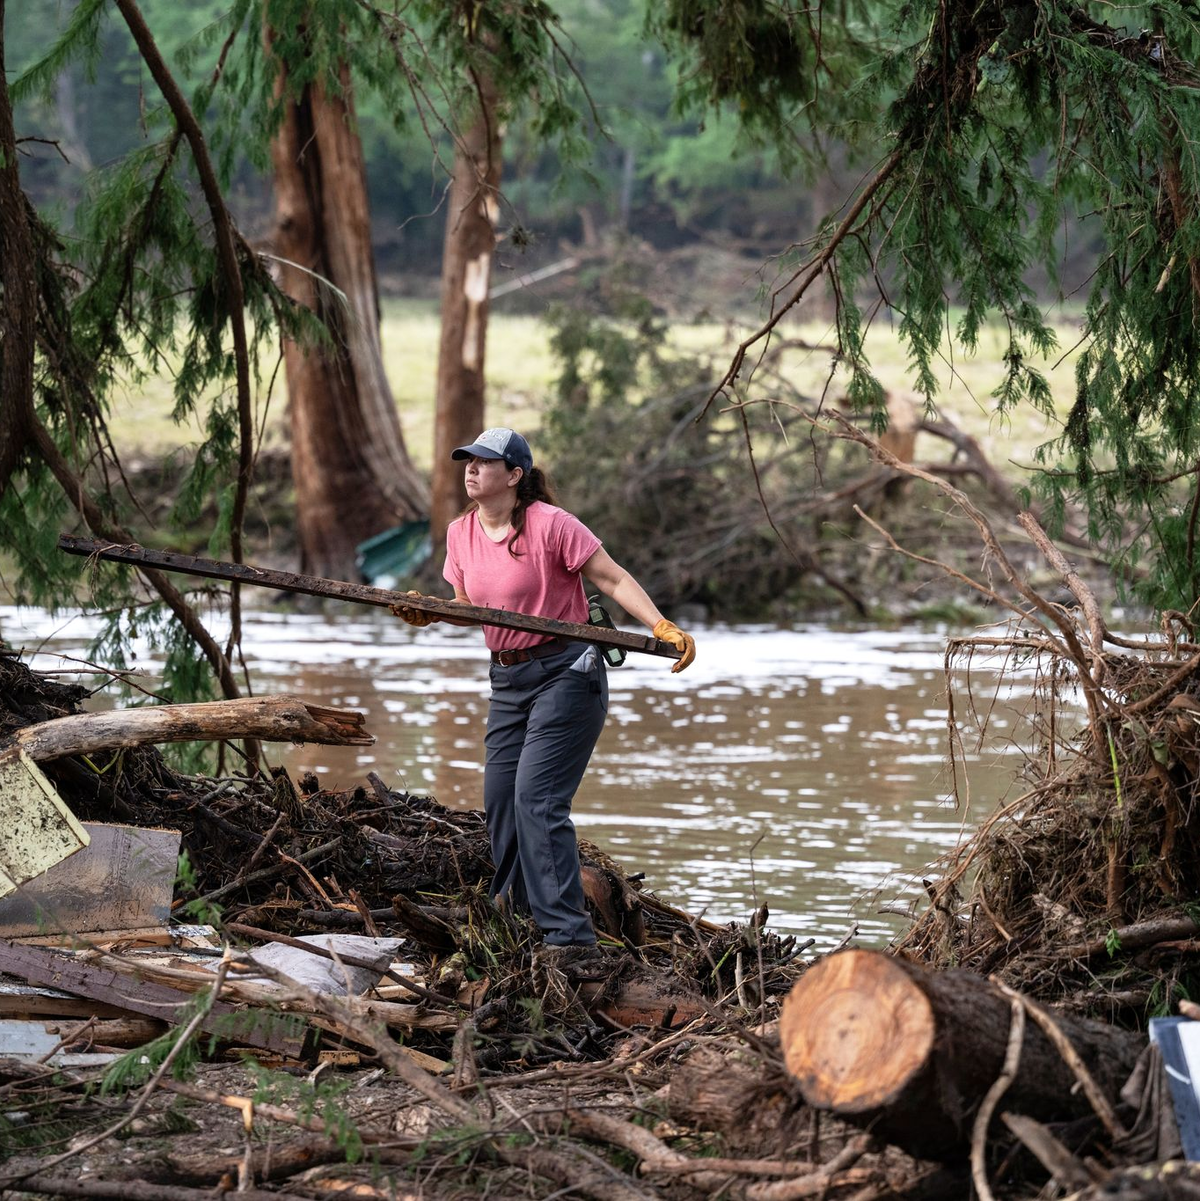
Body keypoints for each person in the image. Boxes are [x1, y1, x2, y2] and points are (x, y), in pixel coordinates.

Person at [394, 427, 695, 958]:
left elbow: (612, 578)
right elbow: (470, 607)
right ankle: (515, 916)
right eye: (467, 460)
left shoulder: (552, 525)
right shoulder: (459, 532)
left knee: (537, 799)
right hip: (507, 678)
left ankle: (569, 939)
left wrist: (661, 625)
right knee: (502, 802)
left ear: (514, 476)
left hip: (567, 674)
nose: (471, 469)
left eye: (484, 463)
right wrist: (432, 612)